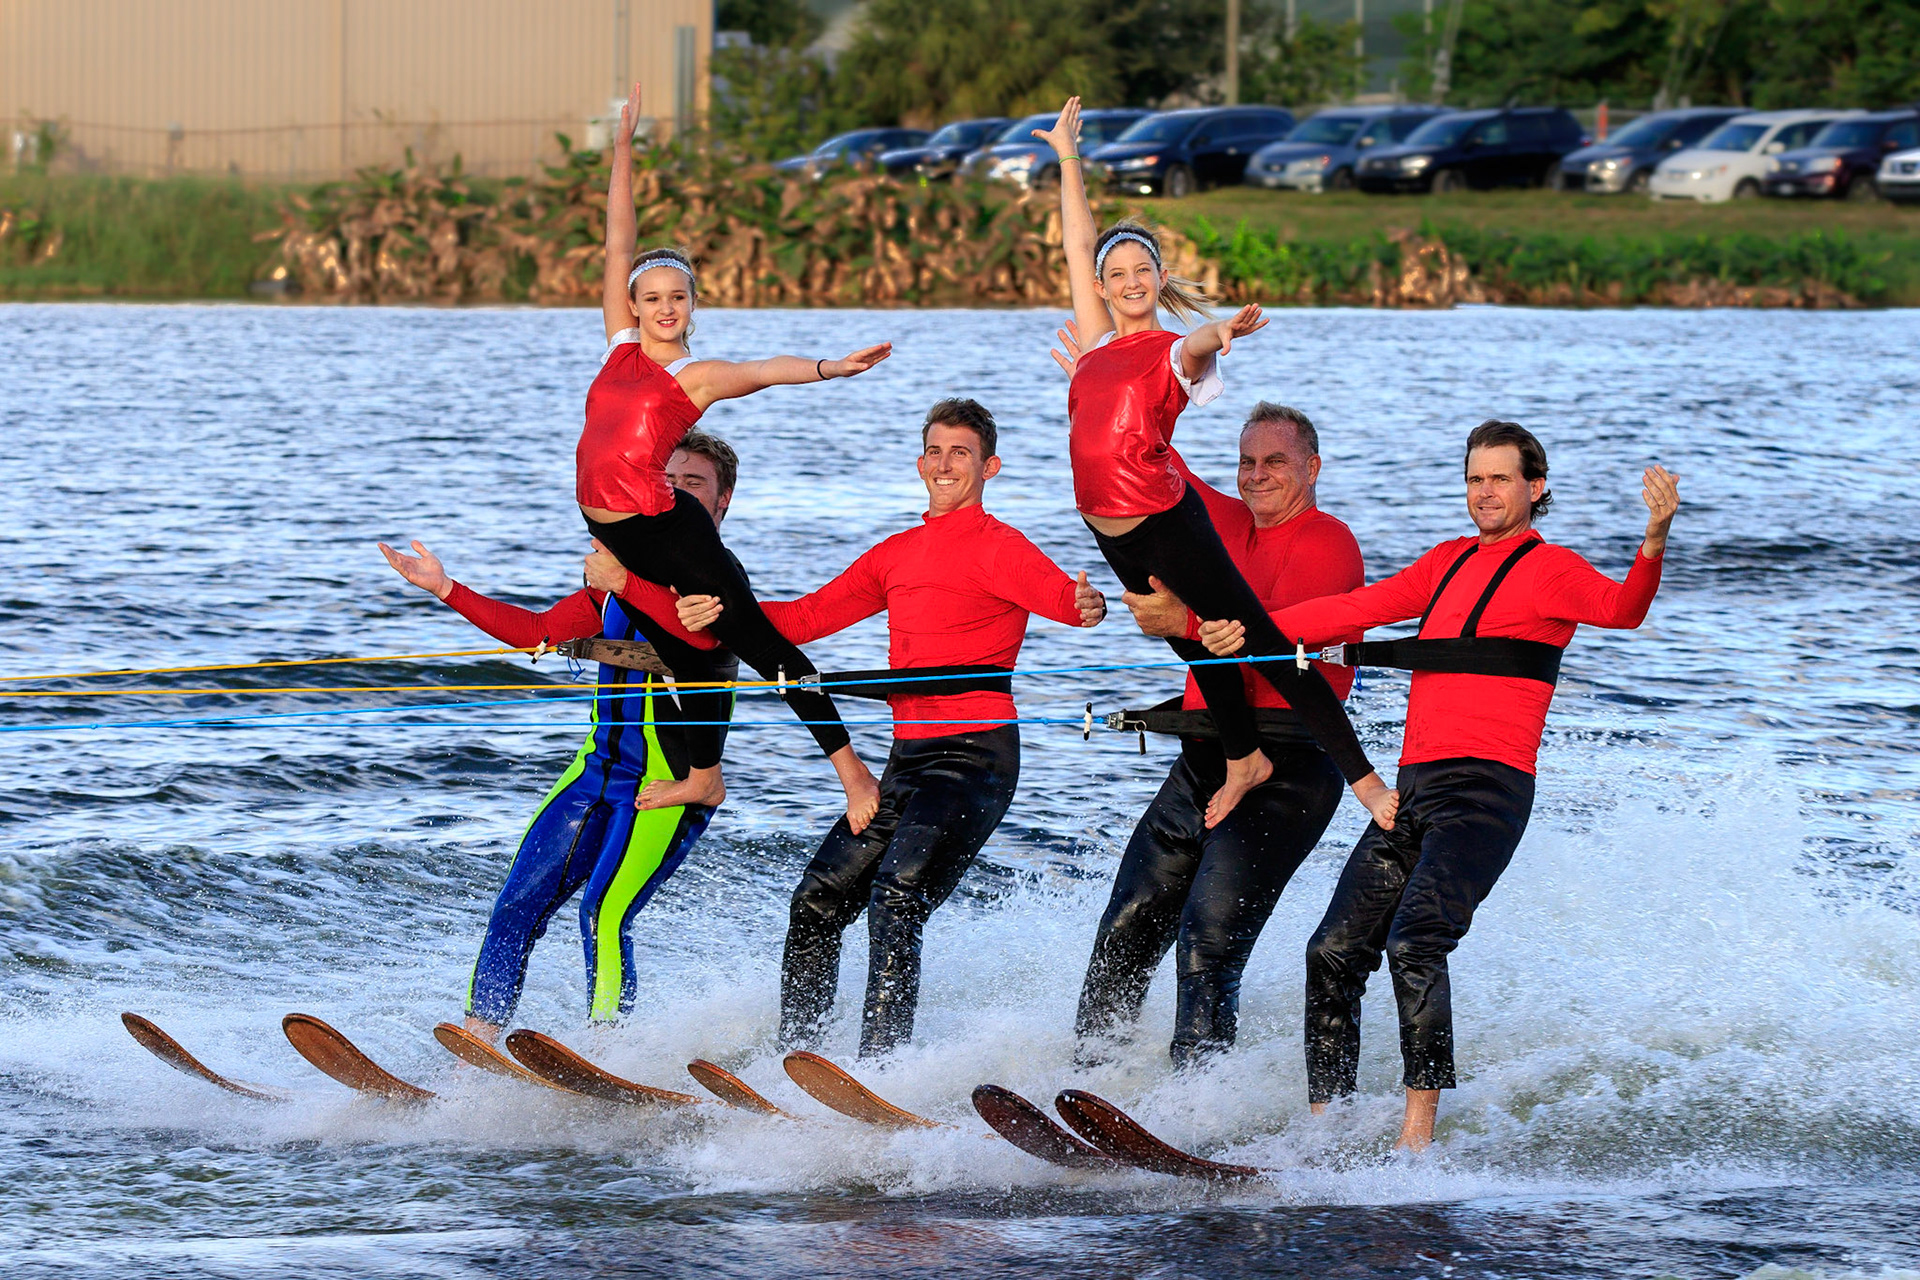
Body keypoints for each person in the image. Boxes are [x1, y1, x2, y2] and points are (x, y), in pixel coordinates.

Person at [1196, 420, 1680, 1149]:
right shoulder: (1447, 562)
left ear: (1533, 488)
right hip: (1415, 790)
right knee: (1332, 949)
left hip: (1486, 794)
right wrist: (1254, 631)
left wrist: (1654, 535)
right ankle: (1325, 1129)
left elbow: (1624, 609)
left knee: (1416, 941)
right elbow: (1354, 610)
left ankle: (1416, 1136)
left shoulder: (1554, 570)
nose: (1485, 492)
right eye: (1475, 478)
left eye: (1501, 479)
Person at [671, 399, 1108, 1057]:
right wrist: (718, 610)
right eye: (935, 451)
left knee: (897, 893)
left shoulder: (1002, 548)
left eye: (960, 452)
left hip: (976, 759)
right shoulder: (895, 554)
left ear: (989, 466)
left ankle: (882, 1070)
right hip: (908, 761)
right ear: (919, 463)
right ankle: (802, 1059)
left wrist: (1087, 602)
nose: (945, 463)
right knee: (815, 902)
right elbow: (804, 620)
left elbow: (1067, 606)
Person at [1032, 96, 1396, 833]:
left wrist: (1216, 330)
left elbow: (1190, 348)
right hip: (1109, 530)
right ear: (1102, 288)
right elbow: (1076, 246)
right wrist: (1069, 156)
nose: (1131, 278)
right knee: (1193, 647)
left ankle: (1364, 781)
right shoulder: (1097, 344)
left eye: (1144, 268)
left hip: (1166, 519)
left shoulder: (1166, 350)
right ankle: (1242, 760)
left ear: (1159, 278)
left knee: (1255, 638)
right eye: (1118, 270)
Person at [576, 81, 888, 835]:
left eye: (676, 297)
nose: (662, 308)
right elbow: (618, 242)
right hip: (626, 530)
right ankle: (704, 778)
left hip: (662, 528)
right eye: (650, 296)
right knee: (695, 639)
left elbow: (763, 369)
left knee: (755, 642)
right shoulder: (620, 346)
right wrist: (622, 150)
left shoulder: (694, 378)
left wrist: (826, 368)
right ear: (635, 304)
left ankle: (852, 773)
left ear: (691, 304)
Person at [378, 433, 743, 1041]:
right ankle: (478, 1046)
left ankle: (607, 1055)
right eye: (667, 482)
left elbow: (699, 643)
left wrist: (623, 579)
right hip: (597, 771)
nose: (676, 492)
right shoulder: (615, 579)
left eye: (694, 484)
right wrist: (446, 589)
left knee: (605, 913)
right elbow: (539, 631)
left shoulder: (716, 578)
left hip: (668, 783)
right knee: (517, 903)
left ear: (724, 503)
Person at [1074, 403, 1366, 1067]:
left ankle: (1200, 1108)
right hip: (1208, 756)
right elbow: (1143, 455)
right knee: (1125, 927)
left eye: (1276, 463)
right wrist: (1107, 388)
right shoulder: (1219, 524)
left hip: (1288, 767)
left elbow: (1261, 637)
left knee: (1207, 942)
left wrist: (1184, 618)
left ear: (1313, 469)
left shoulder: (1331, 542)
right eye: (1247, 462)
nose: (1257, 476)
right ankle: (1093, 1084)